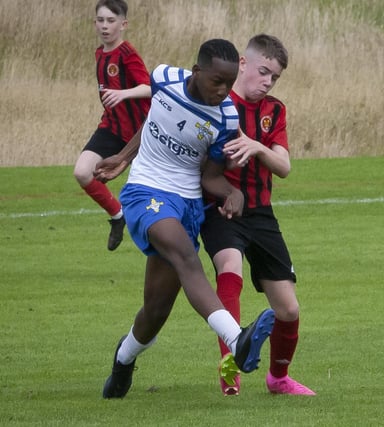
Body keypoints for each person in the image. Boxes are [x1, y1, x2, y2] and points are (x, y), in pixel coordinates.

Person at [93, 38, 275, 399]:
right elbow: (153, 120)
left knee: (155, 311)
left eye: (228, 83)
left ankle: (124, 358)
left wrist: (232, 193)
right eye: (216, 82)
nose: (222, 91)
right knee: (186, 257)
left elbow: (210, 176)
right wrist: (124, 158)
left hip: (187, 204)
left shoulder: (225, 116)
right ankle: (236, 338)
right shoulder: (163, 77)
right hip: (145, 191)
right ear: (197, 72)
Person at [200, 34, 315, 396]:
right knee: (229, 267)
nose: (267, 81)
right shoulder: (217, 103)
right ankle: (230, 370)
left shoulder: (274, 111)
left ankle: (278, 378)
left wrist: (256, 147)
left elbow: (284, 166)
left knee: (289, 309)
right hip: (220, 210)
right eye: (263, 71)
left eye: (275, 77)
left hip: (262, 213)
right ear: (242, 63)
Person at [73, 0, 151, 250]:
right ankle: (118, 217)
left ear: (123, 24)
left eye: (111, 21)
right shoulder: (99, 53)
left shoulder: (127, 54)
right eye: (100, 20)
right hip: (111, 127)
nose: (105, 26)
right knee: (82, 172)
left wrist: (124, 94)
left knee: (149, 190)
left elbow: (150, 88)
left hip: (139, 133)